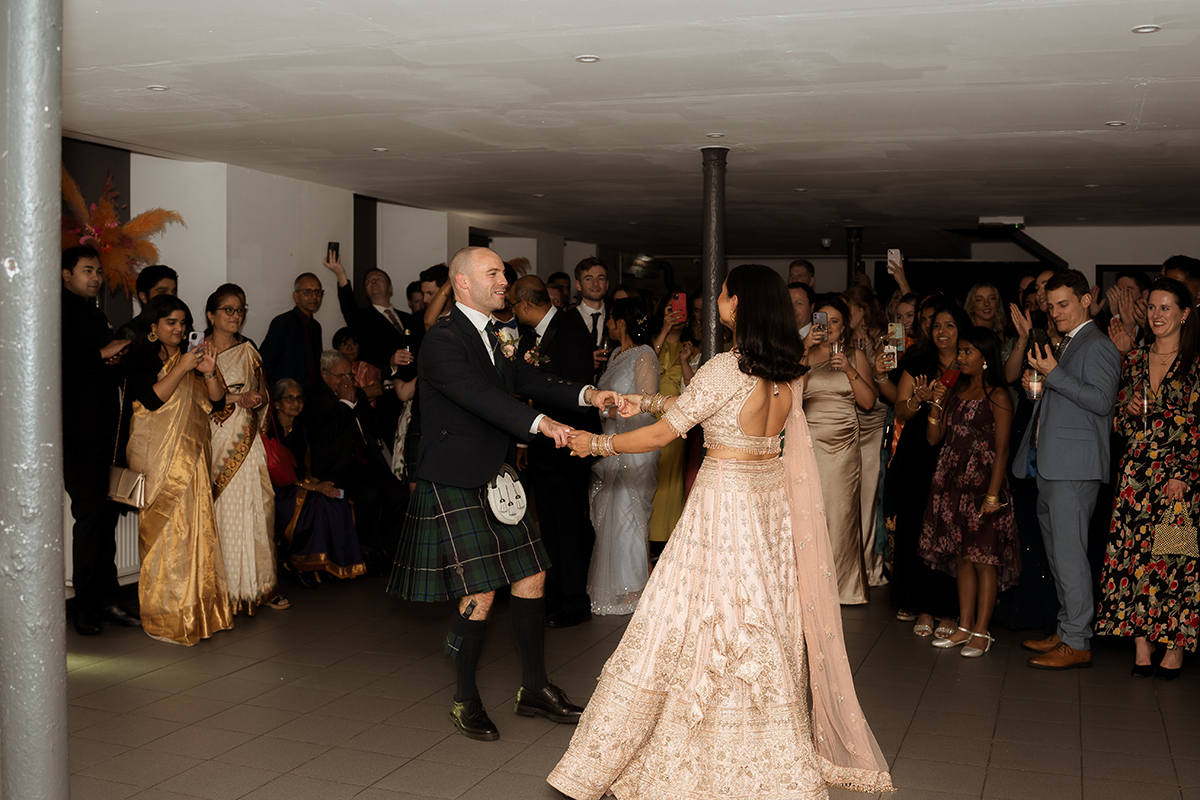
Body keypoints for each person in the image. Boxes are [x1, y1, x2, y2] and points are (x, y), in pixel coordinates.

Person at [549, 264, 892, 799]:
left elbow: (666, 433)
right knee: (758, 619)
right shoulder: (787, 370)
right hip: (767, 509)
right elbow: (707, 409)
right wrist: (648, 400)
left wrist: (595, 445)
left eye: (725, 293)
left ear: (741, 305)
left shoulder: (723, 366)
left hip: (722, 507)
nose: (718, 300)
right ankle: (768, 746)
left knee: (693, 618)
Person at [387, 247, 619, 742]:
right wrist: (539, 423)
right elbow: (480, 395)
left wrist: (586, 395)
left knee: (532, 574)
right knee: (481, 588)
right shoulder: (442, 341)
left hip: (496, 473)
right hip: (453, 475)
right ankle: (465, 698)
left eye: (504, 273)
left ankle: (534, 689)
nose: (504, 281)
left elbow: (528, 379)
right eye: (493, 274)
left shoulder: (503, 333)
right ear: (463, 283)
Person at [1012, 269, 1121, 670]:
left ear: (1086, 301)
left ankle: (1077, 640)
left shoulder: (1098, 345)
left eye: (1064, 304)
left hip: (1074, 466)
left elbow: (1101, 401)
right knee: (1059, 555)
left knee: (1070, 555)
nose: (1055, 312)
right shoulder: (1071, 343)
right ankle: (1066, 629)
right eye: (1051, 305)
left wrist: (1053, 374)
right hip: (1052, 463)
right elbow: (1066, 397)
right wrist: (1037, 386)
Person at [1095, 277, 1199, 680]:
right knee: (1133, 559)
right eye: (1152, 307)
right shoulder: (1135, 359)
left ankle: (1174, 648)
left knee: (1175, 561)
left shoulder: (1196, 364)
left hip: (1178, 480)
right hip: (1136, 476)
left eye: (1165, 308)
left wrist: (1183, 474)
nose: (1156, 315)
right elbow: (1118, 420)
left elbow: (1197, 425)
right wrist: (1130, 410)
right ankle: (1142, 646)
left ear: (1185, 314)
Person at [123, 295, 233, 645]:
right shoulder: (141, 355)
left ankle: (197, 612)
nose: (180, 329)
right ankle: (165, 616)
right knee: (166, 536)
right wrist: (183, 367)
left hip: (193, 458)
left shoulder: (193, 357)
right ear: (153, 326)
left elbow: (216, 401)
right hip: (158, 459)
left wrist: (208, 371)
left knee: (196, 532)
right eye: (171, 323)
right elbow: (153, 399)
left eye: (184, 323)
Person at [920, 327, 1020, 657]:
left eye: (967, 352)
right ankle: (964, 626)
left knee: (984, 559)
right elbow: (934, 439)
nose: (960, 357)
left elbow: (1003, 450)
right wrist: (935, 405)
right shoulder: (956, 392)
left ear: (985, 358)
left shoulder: (998, 396)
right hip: (952, 479)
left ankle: (982, 630)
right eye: (960, 352)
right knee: (962, 555)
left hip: (983, 483)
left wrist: (992, 496)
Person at [511, 274, 600, 628]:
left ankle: (575, 601)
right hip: (544, 445)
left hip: (569, 444)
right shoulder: (532, 337)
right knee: (548, 525)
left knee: (568, 527)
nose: (513, 311)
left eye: (515, 305)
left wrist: (534, 390)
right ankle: (555, 594)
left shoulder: (571, 329)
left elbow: (577, 388)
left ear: (528, 305)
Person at [61, 245, 141, 636]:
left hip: (105, 432)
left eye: (97, 271)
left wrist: (114, 359)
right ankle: (84, 606)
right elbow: (62, 365)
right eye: (86, 270)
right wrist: (106, 352)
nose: (94, 277)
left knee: (105, 517)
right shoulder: (55, 312)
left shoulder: (93, 313)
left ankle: (108, 598)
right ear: (65, 275)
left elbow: (99, 370)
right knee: (90, 518)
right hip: (77, 436)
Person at [879, 298, 970, 637]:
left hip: (958, 453)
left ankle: (950, 610)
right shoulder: (917, 362)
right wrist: (920, 398)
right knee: (917, 527)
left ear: (960, 330)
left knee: (949, 532)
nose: (942, 331)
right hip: (919, 452)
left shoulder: (970, 364)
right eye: (936, 326)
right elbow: (901, 411)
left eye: (949, 325)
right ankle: (920, 604)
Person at [204, 286, 287, 614]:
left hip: (247, 440)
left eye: (240, 310)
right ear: (211, 315)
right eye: (227, 310)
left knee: (257, 509)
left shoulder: (249, 350)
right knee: (222, 513)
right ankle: (223, 591)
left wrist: (256, 399)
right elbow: (198, 400)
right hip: (214, 440)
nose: (235, 316)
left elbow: (264, 394)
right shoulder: (198, 351)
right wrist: (237, 399)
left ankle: (260, 586)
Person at [802, 295, 876, 604]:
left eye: (835, 321)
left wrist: (849, 369)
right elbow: (789, 397)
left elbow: (869, 402)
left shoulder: (855, 355)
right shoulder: (802, 355)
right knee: (808, 514)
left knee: (841, 514)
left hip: (844, 445)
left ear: (844, 326)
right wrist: (804, 349)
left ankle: (843, 588)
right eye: (822, 320)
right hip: (808, 443)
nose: (828, 327)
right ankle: (807, 587)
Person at [588, 299, 660, 615]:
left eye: (612, 321)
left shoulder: (645, 354)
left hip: (633, 444)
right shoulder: (616, 354)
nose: (609, 326)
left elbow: (647, 402)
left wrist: (609, 408)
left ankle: (633, 591)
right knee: (607, 517)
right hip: (609, 440)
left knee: (628, 517)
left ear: (621, 323)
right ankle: (612, 588)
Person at [304, 350, 407, 570]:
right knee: (368, 495)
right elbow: (326, 434)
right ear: (325, 375)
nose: (346, 381)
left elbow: (374, 428)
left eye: (349, 376)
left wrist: (357, 403)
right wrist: (344, 403)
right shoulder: (314, 398)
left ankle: (387, 548)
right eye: (340, 376)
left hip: (365, 462)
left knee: (398, 494)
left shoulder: (357, 394)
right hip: (337, 468)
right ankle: (366, 549)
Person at [266, 379, 365, 584]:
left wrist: (317, 482)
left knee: (336, 497)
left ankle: (332, 563)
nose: (296, 403)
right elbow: (268, 470)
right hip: (274, 490)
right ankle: (299, 562)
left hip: (298, 484)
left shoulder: (301, 428)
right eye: (289, 398)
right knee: (314, 502)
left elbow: (303, 467)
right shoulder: (268, 427)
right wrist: (308, 485)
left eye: (299, 398)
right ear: (276, 403)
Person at [844, 284, 890, 589]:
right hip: (847, 424)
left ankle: (869, 565)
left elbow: (883, 385)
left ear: (861, 310)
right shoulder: (840, 344)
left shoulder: (885, 340)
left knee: (870, 495)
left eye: (848, 309)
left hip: (874, 422)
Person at [646, 296, 687, 549]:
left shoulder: (690, 348)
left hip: (677, 419)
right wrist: (664, 330)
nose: (676, 314)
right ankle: (647, 540)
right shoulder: (651, 345)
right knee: (650, 478)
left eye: (680, 310)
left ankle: (667, 543)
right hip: (649, 418)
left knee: (671, 481)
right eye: (670, 310)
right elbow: (647, 362)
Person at [260, 272, 325, 389]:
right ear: (296, 296)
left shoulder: (316, 326)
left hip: (313, 395)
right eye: (308, 292)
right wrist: (275, 394)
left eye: (318, 292)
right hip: (288, 396)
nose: (314, 297)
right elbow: (265, 363)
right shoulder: (283, 322)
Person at [570, 256, 611, 380]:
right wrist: (584, 362)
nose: (595, 284)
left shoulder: (617, 320)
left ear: (607, 284)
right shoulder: (565, 320)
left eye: (601, 278)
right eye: (588, 279)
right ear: (578, 285)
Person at [115, 264, 179, 341]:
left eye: (174, 292)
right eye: (162, 292)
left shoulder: (181, 326)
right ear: (144, 297)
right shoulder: (129, 332)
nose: (170, 297)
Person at [333, 327, 383, 405]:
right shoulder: (332, 368)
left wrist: (348, 393)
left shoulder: (366, 368)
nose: (349, 348)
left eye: (354, 344)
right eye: (344, 344)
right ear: (337, 348)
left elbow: (378, 390)